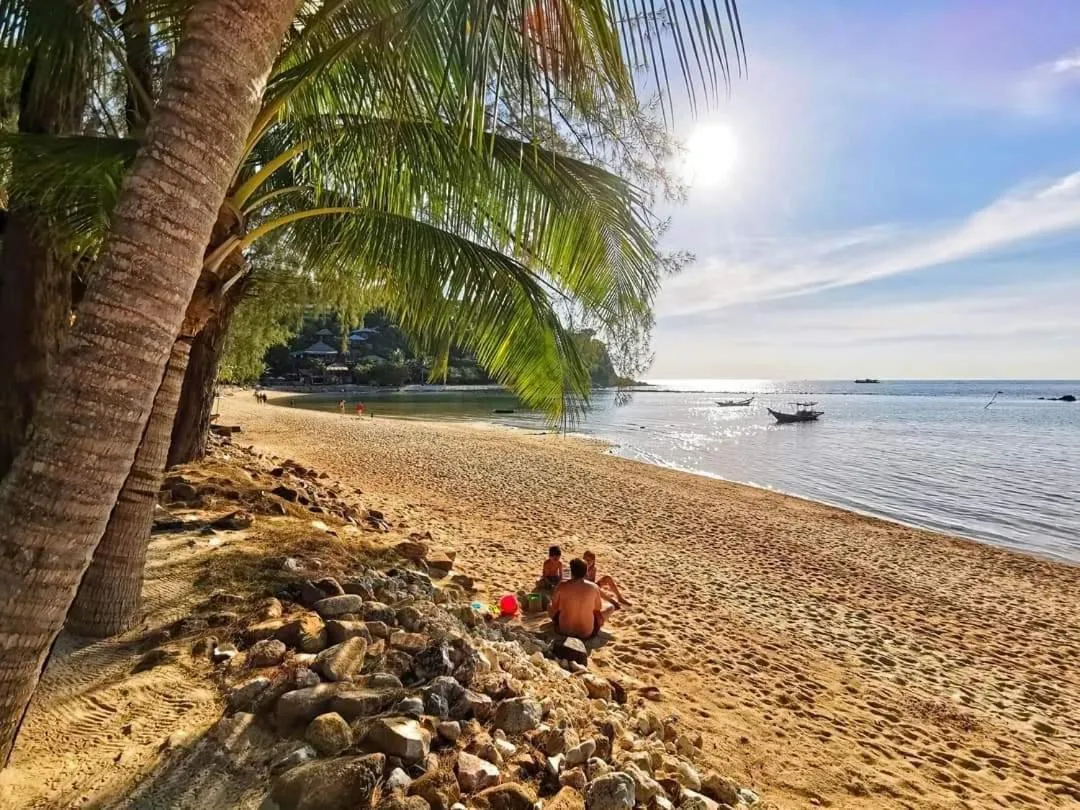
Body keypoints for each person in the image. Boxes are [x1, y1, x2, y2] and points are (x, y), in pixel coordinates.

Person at [549, 558, 615, 640]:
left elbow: (555, 606)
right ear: (585, 572)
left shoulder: (562, 585)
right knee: (611, 607)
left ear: (571, 572)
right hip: (586, 633)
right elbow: (597, 608)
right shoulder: (594, 587)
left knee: (549, 605)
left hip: (564, 631)